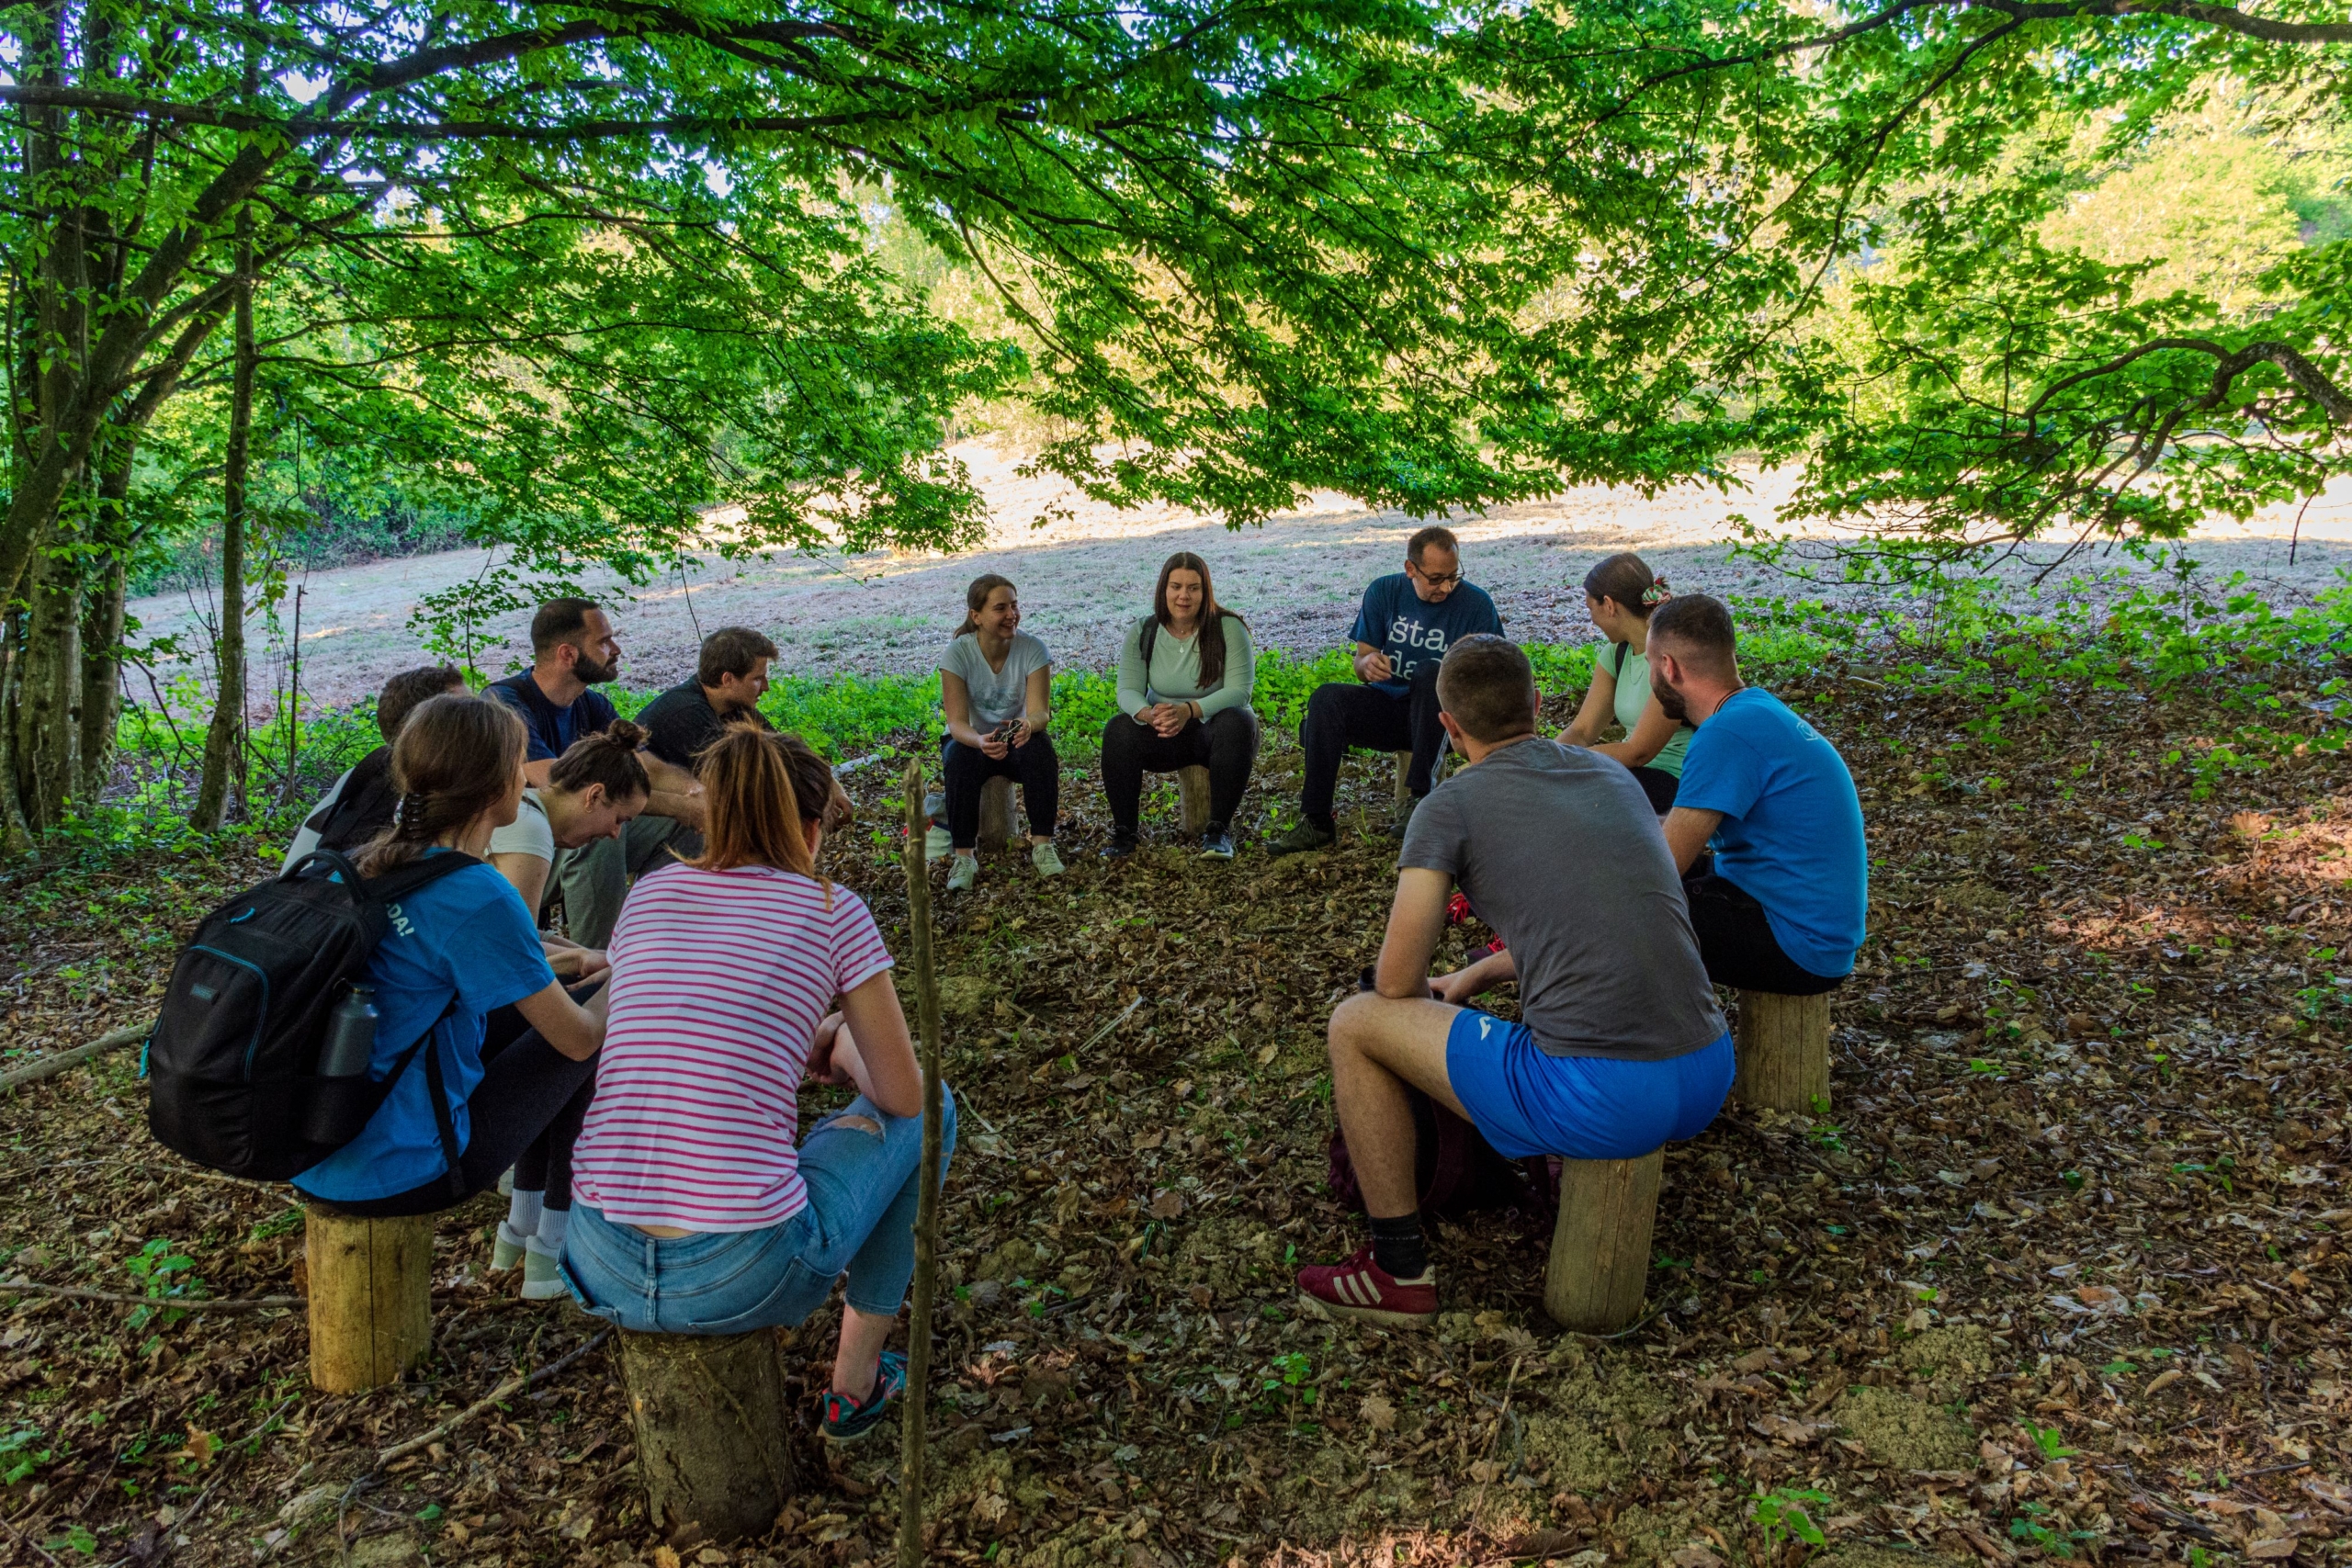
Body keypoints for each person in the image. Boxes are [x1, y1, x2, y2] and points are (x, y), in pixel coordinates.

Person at [1292, 636, 1730, 1326]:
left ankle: (1396, 1269)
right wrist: (1474, 976)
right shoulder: (1611, 776)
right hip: (1706, 1065)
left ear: (1448, 725)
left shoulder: (1448, 806)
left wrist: (1426, 995)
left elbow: (1397, 982)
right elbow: (1600, 917)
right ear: (1536, 703)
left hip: (1607, 1096)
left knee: (1354, 1021)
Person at [563, 726, 956, 1444]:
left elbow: (681, 1022)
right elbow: (906, 1099)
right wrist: (839, 1040)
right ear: (808, 829)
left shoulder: (649, 893)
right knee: (939, 1109)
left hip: (596, 1251)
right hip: (739, 1268)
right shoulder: (833, 910)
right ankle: (856, 1385)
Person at [291, 696, 611, 1242]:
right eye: (519, 766)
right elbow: (578, 1040)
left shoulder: (369, 861)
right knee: (595, 1018)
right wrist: (630, 974)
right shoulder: (475, 892)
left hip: (316, 1148)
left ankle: (530, 1225)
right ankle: (552, 1234)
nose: (526, 779)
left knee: (563, 995)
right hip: (406, 1171)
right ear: (495, 786)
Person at [1647, 594, 1868, 995]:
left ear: (1668, 667)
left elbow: (1662, 864)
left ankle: (1623, 1032)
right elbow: (1676, 835)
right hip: (1802, 919)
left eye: (1649, 663)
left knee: (1622, 914)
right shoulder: (1754, 710)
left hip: (1799, 946)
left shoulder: (1725, 734)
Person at [1270, 526, 1504, 855]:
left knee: (1431, 671)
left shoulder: (1477, 604)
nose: (1446, 587)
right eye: (1436, 579)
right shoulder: (1384, 591)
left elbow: (1494, 672)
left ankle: (1420, 798)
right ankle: (1316, 820)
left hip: (1446, 722)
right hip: (1391, 709)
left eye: (1454, 576)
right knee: (1326, 698)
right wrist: (1367, 665)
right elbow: (1361, 659)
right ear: (1411, 569)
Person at [484, 598, 701, 947]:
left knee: (680, 825)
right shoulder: (505, 702)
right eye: (603, 641)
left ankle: (654, 941)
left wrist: (700, 798)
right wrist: (679, 805)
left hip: (563, 832)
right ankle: (596, 962)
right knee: (601, 829)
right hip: (512, 846)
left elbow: (650, 769)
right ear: (568, 654)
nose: (615, 649)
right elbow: (560, 785)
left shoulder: (592, 704)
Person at [558, 625, 779, 946]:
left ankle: (660, 933)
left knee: (696, 823)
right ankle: (598, 956)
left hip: (642, 814)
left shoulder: (733, 709)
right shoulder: (686, 712)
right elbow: (740, 784)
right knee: (709, 819)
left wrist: (829, 786)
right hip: (601, 822)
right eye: (758, 678)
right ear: (728, 679)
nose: (766, 687)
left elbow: (783, 752)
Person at [1102, 552, 1260, 861]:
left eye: (1193, 588)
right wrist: (1148, 714)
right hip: (1164, 731)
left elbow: (1240, 692)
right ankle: (1124, 833)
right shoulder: (1144, 631)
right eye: (1176, 587)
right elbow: (1127, 690)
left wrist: (1188, 710)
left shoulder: (1228, 627)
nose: (1183, 596)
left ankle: (1218, 832)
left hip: (1213, 733)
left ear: (1205, 591)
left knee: (1236, 720)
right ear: (1164, 589)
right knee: (1118, 729)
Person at [484, 723, 654, 981]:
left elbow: (517, 931)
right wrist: (580, 961)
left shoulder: (530, 812)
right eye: (619, 820)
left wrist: (593, 955)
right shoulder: (531, 829)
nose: (615, 833)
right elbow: (513, 952)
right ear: (594, 796)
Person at [933, 574, 1062, 891]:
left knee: (1040, 748)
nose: (1011, 614)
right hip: (972, 740)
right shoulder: (958, 654)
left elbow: (1040, 712)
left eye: (1014, 606)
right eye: (1000, 608)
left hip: (1015, 737)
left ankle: (1043, 846)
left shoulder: (1032, 649)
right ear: (976, 616)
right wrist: (980, 741)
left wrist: (1028, 724)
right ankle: (964, 857)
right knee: (958, 758)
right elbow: (956, 723)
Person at [281, 665, 465, 871]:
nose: (481, 720)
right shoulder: (412, 789)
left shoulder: (366, 771)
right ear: (425, 732)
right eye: (465, 716)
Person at [1558, 553, 1693, 814]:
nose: (1591, 619)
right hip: (1632, 773)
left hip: (1674, 779)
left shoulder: (1669, 657)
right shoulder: (1616, 654)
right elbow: (1583, 731)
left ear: (1609, 605)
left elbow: (1639, 752)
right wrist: (1544, 758)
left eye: (1590, 609)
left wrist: (1571, 762)